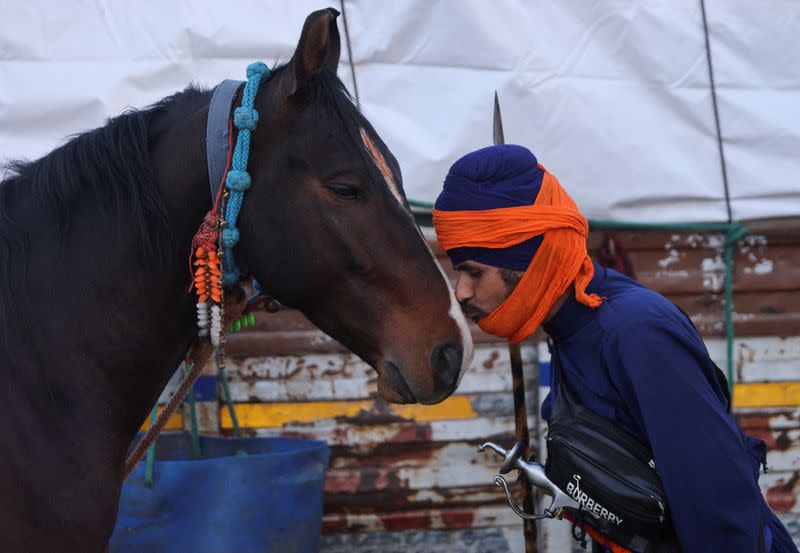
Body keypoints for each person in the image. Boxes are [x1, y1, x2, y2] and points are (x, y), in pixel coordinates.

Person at [432, 144, 797, 553]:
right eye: (456, 269)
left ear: (530, 260)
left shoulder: (634, 332)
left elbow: (719, 506)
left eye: (473, 271)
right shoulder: (568, 328)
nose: (461, 291)